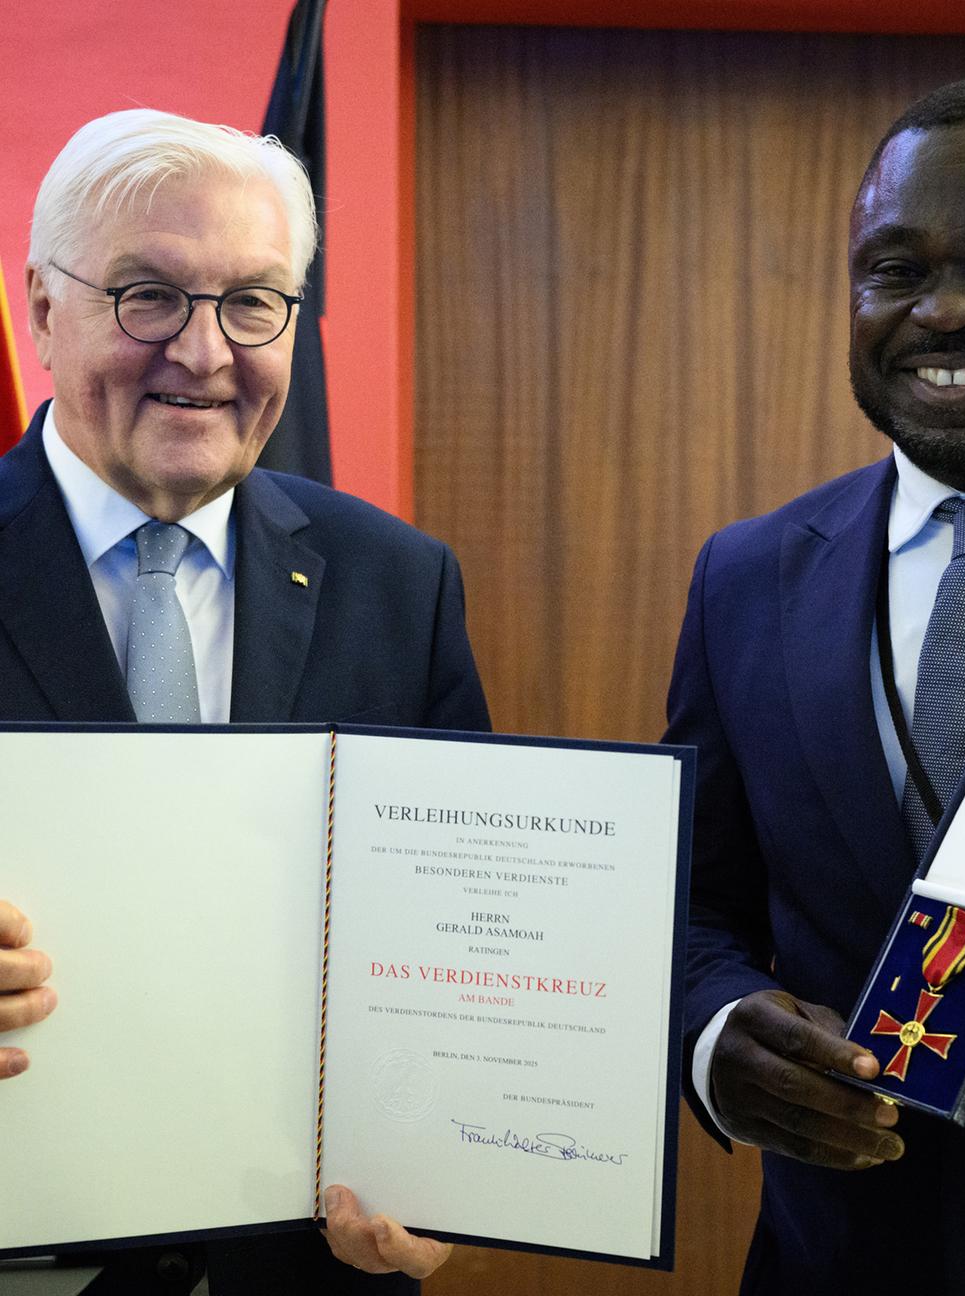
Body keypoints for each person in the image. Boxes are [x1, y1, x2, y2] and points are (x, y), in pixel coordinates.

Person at [667, 73, 965, 1295]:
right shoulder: (748, 576)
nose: (945, 310)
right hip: (837, 1263)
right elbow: (688, 912)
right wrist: (715, 1036)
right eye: (894, 271)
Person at [0, 109, 490, 1294]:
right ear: (43, 306)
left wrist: (453, 1173)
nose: (206, 354)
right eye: (148, 296)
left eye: (253, 302)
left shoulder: (400, 581)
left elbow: (461, 936)